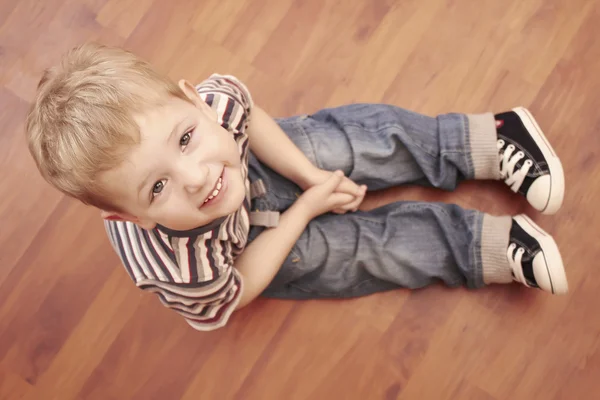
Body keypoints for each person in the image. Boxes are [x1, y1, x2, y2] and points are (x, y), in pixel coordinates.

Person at [25, 43, 568, 331]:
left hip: (258, 163)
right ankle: (486, 248)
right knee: (355, 256)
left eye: (187, 138)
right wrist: (306, 209)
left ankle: (490, 140)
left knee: (353, 143)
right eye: (157, 187)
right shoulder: (176, 271)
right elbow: (234, 289)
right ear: (132, 219)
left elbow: (251, 116)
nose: (197, 179)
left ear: (194, 101)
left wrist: (309, 176)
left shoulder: (215, 106)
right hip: (246, 251)